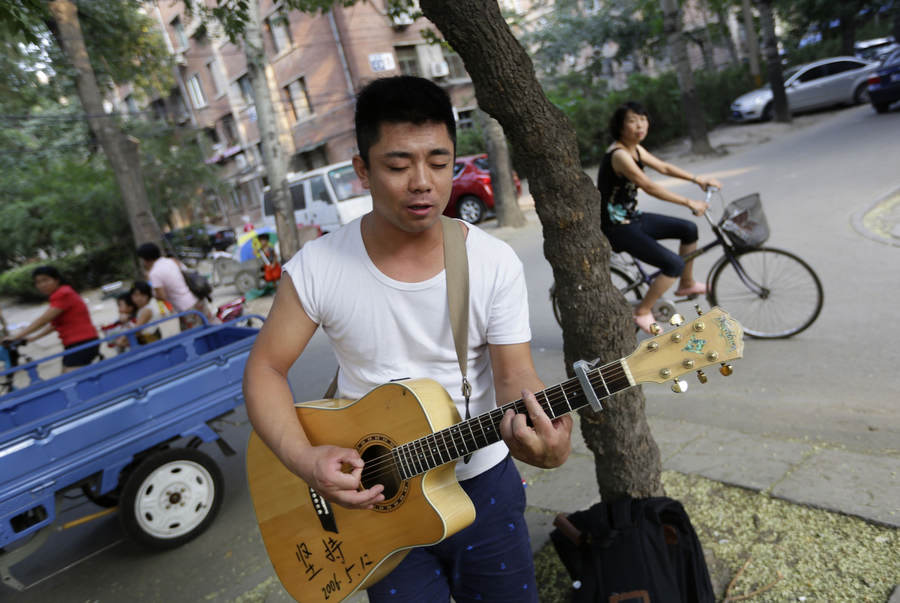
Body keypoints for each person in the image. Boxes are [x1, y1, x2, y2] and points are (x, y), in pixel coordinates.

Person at [243, 75, 572, 603]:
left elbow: (515, 377)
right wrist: (305, 461)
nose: (423, 182)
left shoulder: (490, 262)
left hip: (481, 486)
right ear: (362, 171)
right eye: (398, 165)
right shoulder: (317, 268)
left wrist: (544, 438)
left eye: (439, 163)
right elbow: (264, 370)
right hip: (374, 498)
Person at [597, 101, 722, 333]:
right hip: (617, 228)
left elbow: (663, 168)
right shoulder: (619, 155)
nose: (640, 125)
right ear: (620, 126)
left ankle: (686, 283)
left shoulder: (635, 149)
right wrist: (688, 201)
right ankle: (643, 311)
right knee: (672, 263)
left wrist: (698, 179)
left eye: (643, 119)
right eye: (632, 121)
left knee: (688, 229)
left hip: (633, 217)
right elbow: (649, 186)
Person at [3, 266, 100, 372]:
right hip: (76, 343)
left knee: (71, 382)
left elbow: (43, 320)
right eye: (38, 282)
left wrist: (16, 336)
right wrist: (33, 338)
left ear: (56, 280)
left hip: (82, 343)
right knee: (69, 380)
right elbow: (54, 325)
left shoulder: (63, 293)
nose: (42, 285)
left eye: (45, 280)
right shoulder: (60, 294)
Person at [135, 242, 209, 330]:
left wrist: (153, 293)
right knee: (209, 326)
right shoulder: (170, 261)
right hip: (197, 299)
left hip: (185, 308)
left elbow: (162, 296)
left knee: (193, 335)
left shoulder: (154, 273)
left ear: (146, 259)